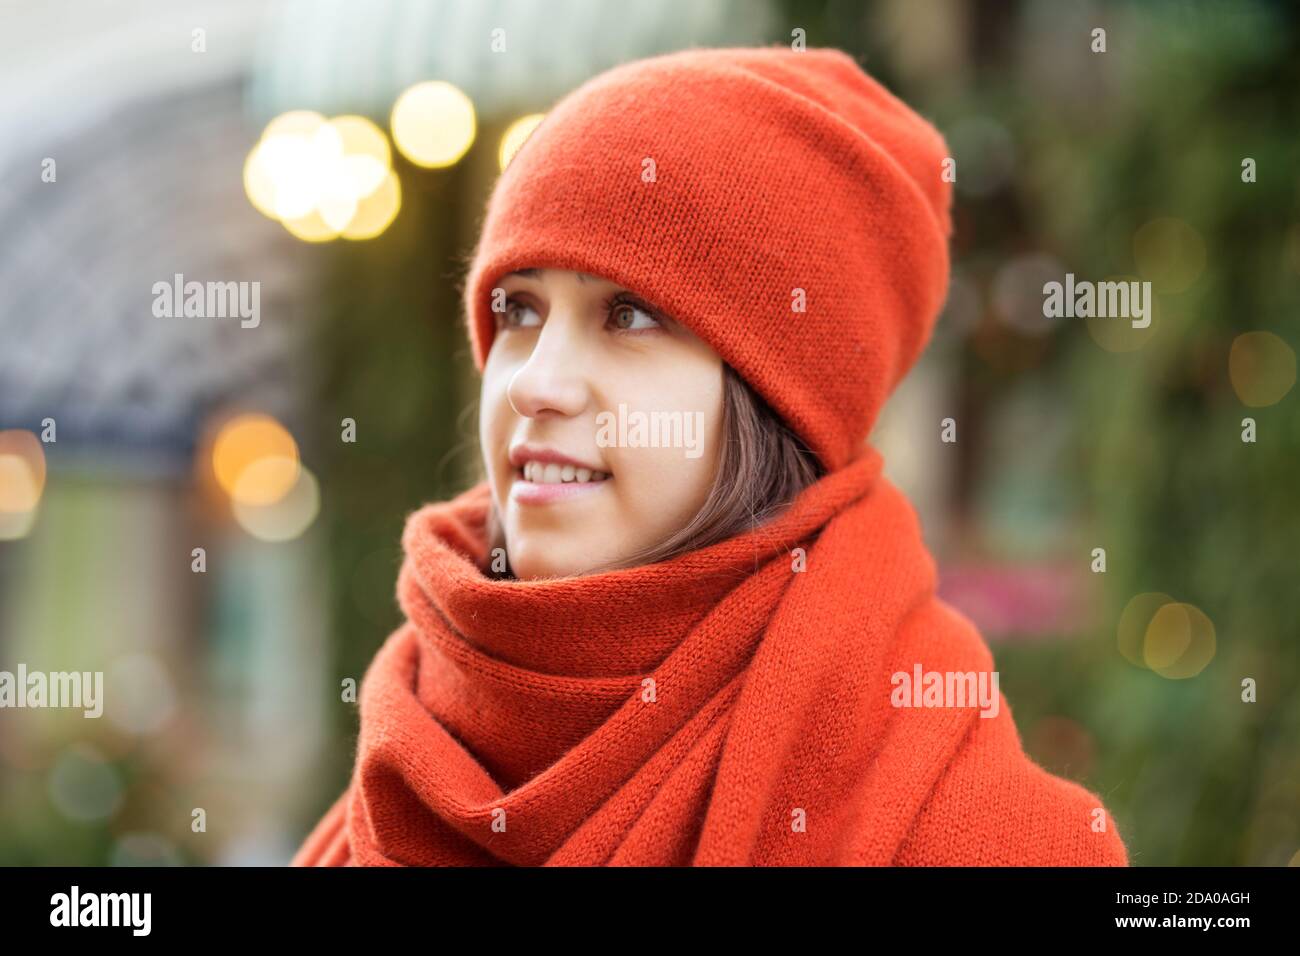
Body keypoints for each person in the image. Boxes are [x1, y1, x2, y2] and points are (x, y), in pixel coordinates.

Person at [291, 45, 1130, 866]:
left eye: (630, 315)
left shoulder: (985, 838)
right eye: (518, 309)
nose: (535, 384)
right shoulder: (402, 756)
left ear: (777, 399)